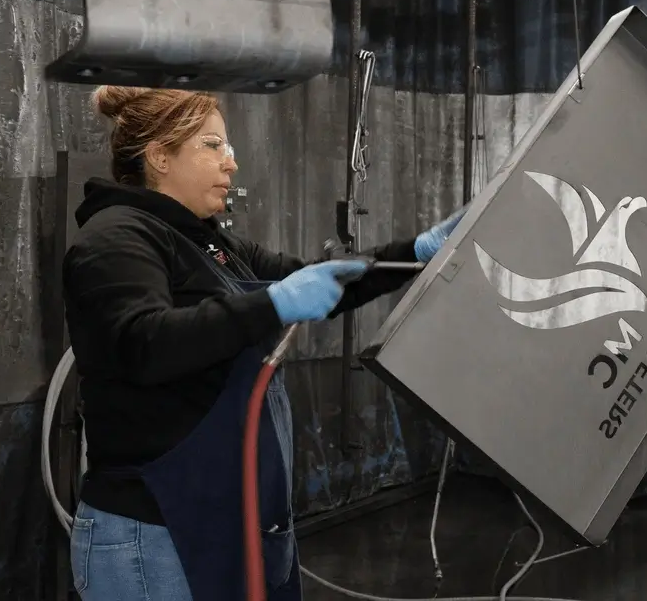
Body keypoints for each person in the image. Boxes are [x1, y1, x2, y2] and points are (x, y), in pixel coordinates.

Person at [63, 85, 464, 601]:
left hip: (222, 517)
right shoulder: (115, 237)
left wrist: (416, 252)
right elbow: (145, 343)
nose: (230, 164)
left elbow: (320, 281)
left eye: (226, 147)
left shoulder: (215, 244)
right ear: (160, 156)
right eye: (212, 146)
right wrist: (270, 305)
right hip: (153, 531)